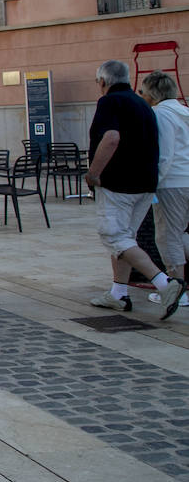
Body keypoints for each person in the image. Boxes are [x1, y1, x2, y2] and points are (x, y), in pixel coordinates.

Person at [85, 60, 183, 318]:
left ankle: (166, 284)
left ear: (103, 82)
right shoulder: (144, 104)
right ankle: (119, 293)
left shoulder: (110, 102)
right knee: (126, 237)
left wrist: (93, 173)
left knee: (114, 236)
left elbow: (111, 138)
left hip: (119, 184)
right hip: (145, 185)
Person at [141, 71, 189, 309]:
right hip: (187, 179)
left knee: (167, 235)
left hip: (172, 182)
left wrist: (153, 184)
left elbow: (165, 154)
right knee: (181, 233)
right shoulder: (184, 111)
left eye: (143, 91)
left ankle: (178, 288)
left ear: (152, 93)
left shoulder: (160, 114)